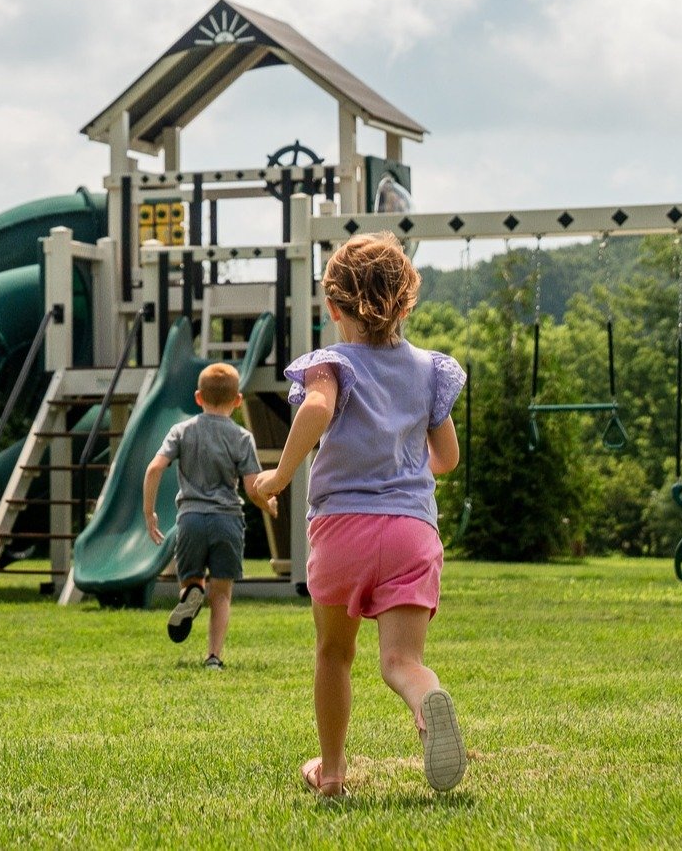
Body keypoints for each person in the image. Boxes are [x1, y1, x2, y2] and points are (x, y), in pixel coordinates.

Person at [255, 232, 467, 797]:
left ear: (332, 307)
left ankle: (331, 774)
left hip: (343, 529)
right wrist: (401, 459)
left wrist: (277, 476)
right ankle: (426, 701)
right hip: (411, 533)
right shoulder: (429, 370)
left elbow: (318, 408)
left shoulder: (330, 364)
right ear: (406, 303)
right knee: (401, 662)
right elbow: (446, 458)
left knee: (334, 653)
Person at [143, 362, 276, 670]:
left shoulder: (181, 430)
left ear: (198, 397)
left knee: (191, 578)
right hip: (227, 520)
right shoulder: (242, 437)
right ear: (238, 400)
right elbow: (253, 487)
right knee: (222, 594)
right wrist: (268, 505)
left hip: (190, 518)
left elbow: (154, 468)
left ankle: (191, 591)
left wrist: (150, 513)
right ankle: (213, 657)